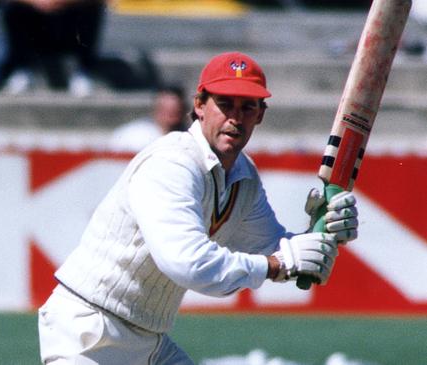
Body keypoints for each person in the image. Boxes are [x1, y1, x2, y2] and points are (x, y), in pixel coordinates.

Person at [37, 52, 360, 364]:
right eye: (224, 104)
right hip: (90, 330)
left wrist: (325, 232)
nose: (235, 118)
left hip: (149, 340)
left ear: (260, 114)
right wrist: (277, 264)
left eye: (247, 107)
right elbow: (187, 263)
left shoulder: (242, 175)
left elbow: (273, 248)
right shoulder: (172, 163)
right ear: (199, 106)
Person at [0, 0, 107, 97]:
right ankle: (22, 69)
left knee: (91, 8)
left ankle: (83, 71)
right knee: (14, 8)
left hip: (70, 22)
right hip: (35, 22)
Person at [109, 84, 189, 152]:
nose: (172, 117)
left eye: (176, 111)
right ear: (156, 110)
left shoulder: (188, 137)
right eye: (165, 111)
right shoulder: (132, 136)